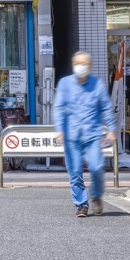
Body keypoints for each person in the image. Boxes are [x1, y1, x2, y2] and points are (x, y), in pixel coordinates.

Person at [55, 51, 117, 218]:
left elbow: (105, 108)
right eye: (77, 63)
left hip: (92, 136)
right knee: (75, 172)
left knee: (96, 168)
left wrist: (111, 129)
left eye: (84, 63)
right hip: (71, 136)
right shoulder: (65, 84)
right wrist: (59, 129)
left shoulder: (97, 84)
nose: (80, 67)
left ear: (89, 67)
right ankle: (81, 205)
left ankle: (96, 196)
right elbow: (59, 108)